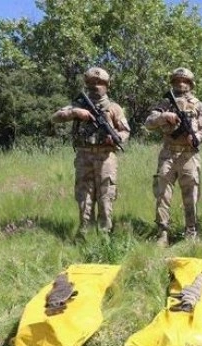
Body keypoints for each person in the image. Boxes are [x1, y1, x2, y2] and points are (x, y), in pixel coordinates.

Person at [51, 67, 130, 236]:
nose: (96, 86)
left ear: (107, 85)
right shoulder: (78, 105)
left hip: (105, 157)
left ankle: (104, 234)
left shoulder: (113, 107)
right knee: (84, 195)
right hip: (84, 155)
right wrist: (75, 112)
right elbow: (55, 117)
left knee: (106, 196)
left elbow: (125, 131)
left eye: (100, 83)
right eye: (92, 82)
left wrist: (116, 138)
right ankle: (85, 233)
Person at [144, 67, 202, 247]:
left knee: (191, 195)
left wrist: (197, 138)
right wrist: (163, 117)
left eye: (185, 81)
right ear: (173, 83)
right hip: (168, 153)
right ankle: (162, 233)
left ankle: (191, 233)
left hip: (189, 155)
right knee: (163, 194)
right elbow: (148, 123)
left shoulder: (198, 105)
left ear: (190, 84)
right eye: (177, 80)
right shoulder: (165, 104)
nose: (181, 84)